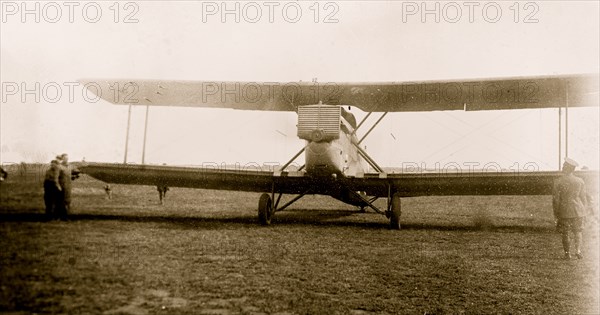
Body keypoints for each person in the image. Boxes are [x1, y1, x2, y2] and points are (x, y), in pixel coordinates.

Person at [553, 158, 588, 260]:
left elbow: (556, 199)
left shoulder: (558, 181)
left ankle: (567, 253)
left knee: (565, 233)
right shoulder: (580, 181)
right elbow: (583, 198)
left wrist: (556, 212)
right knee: (578, 232)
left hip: (565, 211)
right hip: (578, 210)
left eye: (564, 166)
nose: (562, 167)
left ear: (568, 168)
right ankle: (578, 251)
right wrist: (584, 211)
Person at [56, 153, 79, 220]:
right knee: (60, 201)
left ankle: (66, 216)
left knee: (67, 201)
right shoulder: (59, 167)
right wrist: (57, 186)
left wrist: (75, 176)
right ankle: (58, 216)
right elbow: (56, 177)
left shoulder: (70, 166)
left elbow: (72, 175)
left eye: (67, 158)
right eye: (65, 158)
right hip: (61, 186)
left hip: (68, 186)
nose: (66, 159)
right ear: (62, 159)